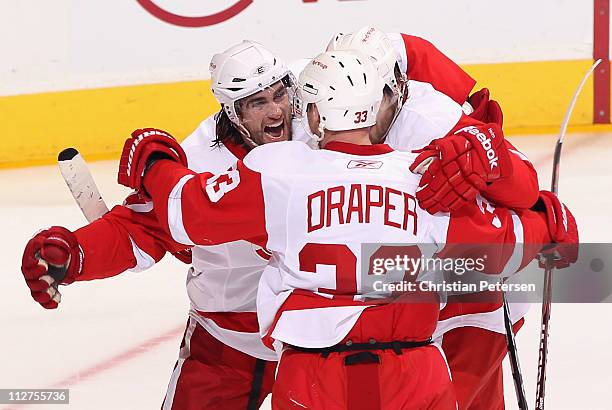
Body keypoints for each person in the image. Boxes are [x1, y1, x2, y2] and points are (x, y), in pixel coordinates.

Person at [20, 32, 538, 409]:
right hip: (237, 330)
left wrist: (478, 120)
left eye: (281, 97)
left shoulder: (326, 100)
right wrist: (77, 253)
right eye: (256, 104)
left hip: (331, 338)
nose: (276, 113)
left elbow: (398, 49)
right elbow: (144, 229)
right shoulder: (205, 155)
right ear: (229, 112)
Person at [327, 26, 539, 409]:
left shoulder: (433, 119)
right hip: (406, 306)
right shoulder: (330, 112)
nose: (357, 114)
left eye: (371, 100)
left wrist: (485, 158)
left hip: (470, 303)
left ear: (395, 89)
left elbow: (523, 188)